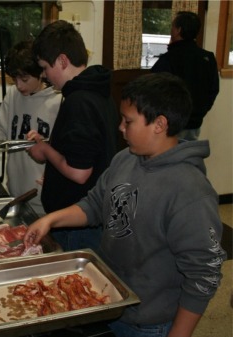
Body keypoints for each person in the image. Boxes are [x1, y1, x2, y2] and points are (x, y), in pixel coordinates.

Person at [24, 72, 227, 337]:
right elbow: (95, 205)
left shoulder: (189, 191)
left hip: (150, 322)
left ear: (159, 124)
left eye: (128, 121)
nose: (120, 127)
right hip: (112, 303)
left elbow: (204, 274)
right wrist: (50, 220)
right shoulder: (125, 160)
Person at [26, 20, 118, 253]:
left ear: (63, 61)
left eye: (46, 68)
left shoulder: (79, 101)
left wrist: (45, 151)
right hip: (86, 215)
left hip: (79, 225)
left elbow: (79, 172)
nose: (45, 76)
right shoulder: (96, 91)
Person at [0, 40, 61, 216]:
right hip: (14, 192)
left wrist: (57, 178)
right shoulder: (13, 94)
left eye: (25, 79)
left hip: (43, 199)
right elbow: (0, 127)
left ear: (41, 73)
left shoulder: (59, 100)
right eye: (14, 79)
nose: (19, 85)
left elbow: (67, 151)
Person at [151, 11, 219, 141]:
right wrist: (199, 112)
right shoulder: (207, 58)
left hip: (170, 124)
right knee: (188, 156)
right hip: (195, 123)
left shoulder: (169, 58)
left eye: (172, 26)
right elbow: (213, 90)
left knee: (169, 158)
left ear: (178, 30)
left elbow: (154, 91)